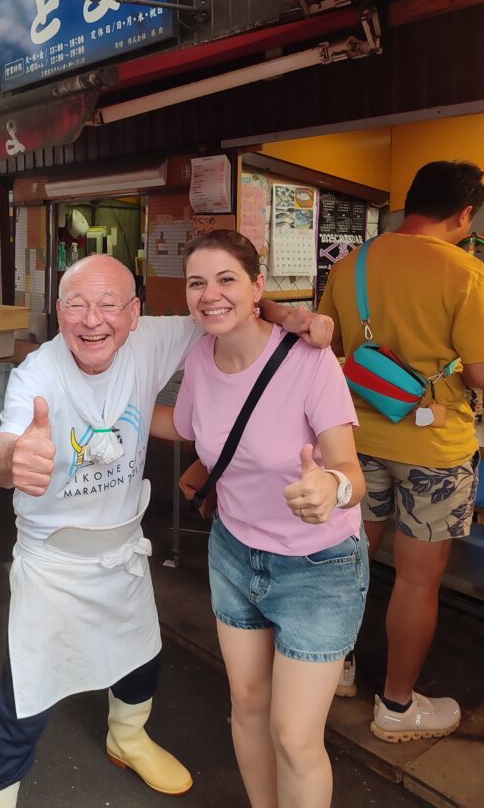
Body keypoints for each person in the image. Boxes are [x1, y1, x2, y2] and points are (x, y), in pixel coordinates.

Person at [0, 252, 335, 807]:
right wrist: (10, 460)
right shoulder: (36, 373)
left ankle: (127, 737)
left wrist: (286, 313)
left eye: (109, 304)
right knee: (29, 693)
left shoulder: (153, 338)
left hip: (124, 554)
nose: (93, 320)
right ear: (57, 312)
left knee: (140, 659)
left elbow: (224, 307)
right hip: (54, 565)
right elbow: (4, 449)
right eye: (77, 305)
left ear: (135, 314)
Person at [152, 229, 365, 808]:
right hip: (234, 552)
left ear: (257, 287)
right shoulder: (201, 355)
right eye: (197, 282)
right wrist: (106, 400)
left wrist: (333, 486)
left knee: (294, 737)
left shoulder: (309, 360)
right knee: (246, 707)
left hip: (318, 567)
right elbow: (187, 429)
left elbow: (349, 467)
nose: (210, 294)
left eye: (226, 279)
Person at [318, 160, 484, 742]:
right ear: (465, 214)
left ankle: (333, 670)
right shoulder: (465, 273)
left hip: (356, 440)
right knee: (417, 581)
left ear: (409, 203)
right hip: (436, 448)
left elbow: (328, 348)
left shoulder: (352, 265)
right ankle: (396, 707)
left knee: (346, 562)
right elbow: (482, 373)